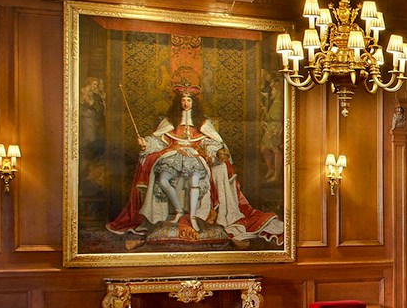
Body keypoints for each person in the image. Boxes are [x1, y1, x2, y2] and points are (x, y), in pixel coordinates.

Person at [108, 87, 285, 246]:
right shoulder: (170, 121)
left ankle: (192, 216)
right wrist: (145, 143)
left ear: (194, 103)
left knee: (194, 180)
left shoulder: (202, 123)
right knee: (162, 179)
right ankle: (178, 211)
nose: (186, 103)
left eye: (189, 100)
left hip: (195, 157)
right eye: (183, 100)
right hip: (173, 156)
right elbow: (157, 141)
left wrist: (214, 153)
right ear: (180, 102)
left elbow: (214, 142)